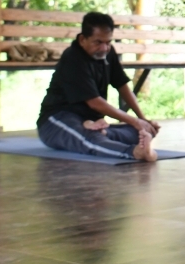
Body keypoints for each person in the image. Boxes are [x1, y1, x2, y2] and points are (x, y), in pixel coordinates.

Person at [38, 12, 160, 162]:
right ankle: (134, 153)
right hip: (58, 120)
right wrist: (135, 121)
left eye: (108, 42)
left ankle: (101, 134)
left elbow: (122, 86)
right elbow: (95, 103)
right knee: (87, 139)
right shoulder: (72, 58)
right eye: (98, 42)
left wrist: (143, 121)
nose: (104, 48)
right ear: (83, 39)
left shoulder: (109, 52)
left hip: (94, 123)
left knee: (139, 130)